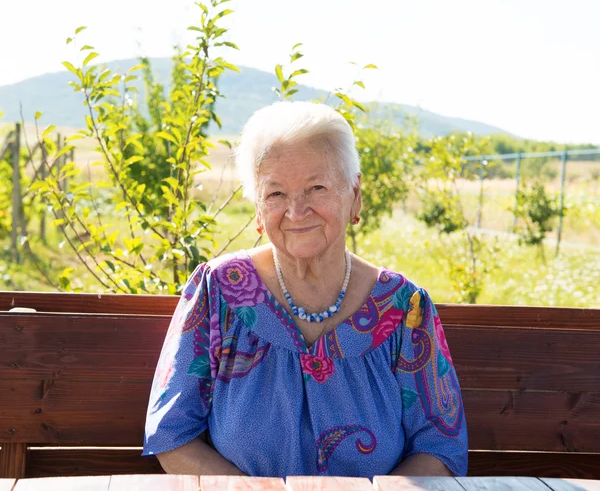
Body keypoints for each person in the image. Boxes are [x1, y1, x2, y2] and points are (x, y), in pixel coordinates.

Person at [142, 101, 468, 478]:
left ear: (355, 195)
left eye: (317, 187)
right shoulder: (219, 291)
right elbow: (171, 434)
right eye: (276, 194)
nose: (296, 211)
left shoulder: (403, 307)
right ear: (258, 210)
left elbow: (439, 446)